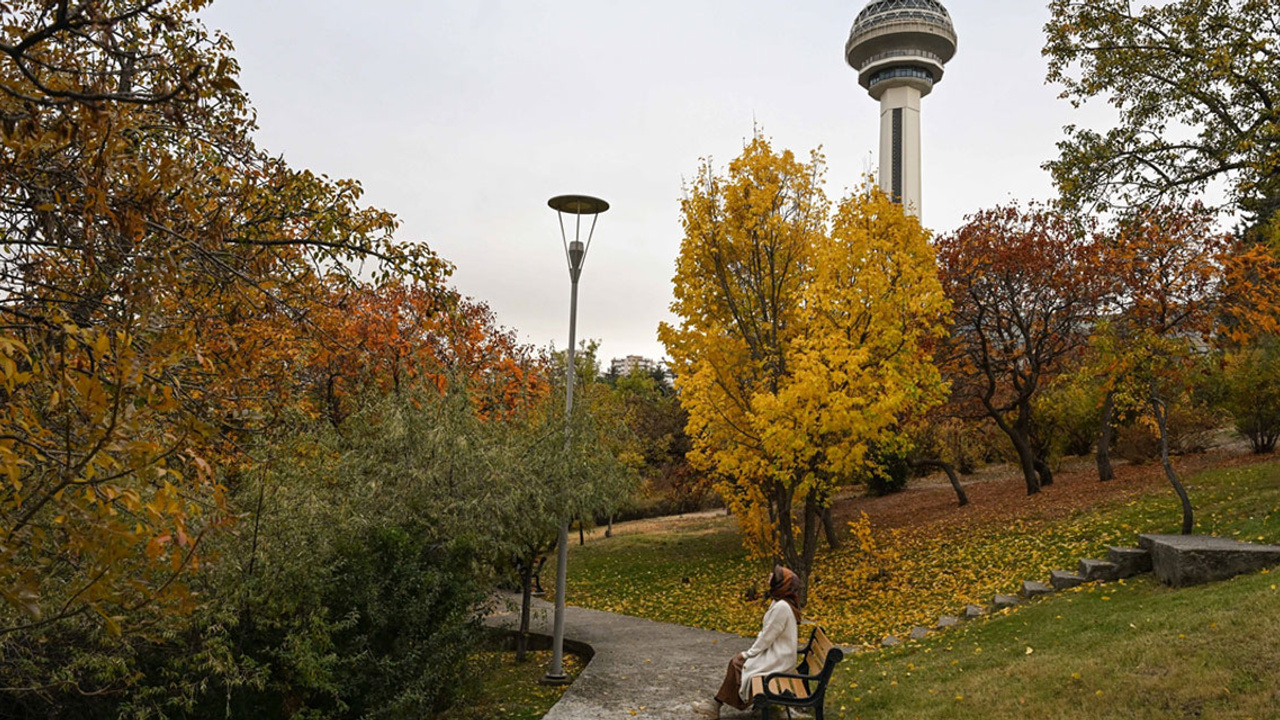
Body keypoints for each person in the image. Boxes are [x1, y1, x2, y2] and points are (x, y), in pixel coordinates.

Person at [693, 565, 802, 719]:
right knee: (739, 664)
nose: (770, 575)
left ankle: (715, 706)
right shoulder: (780, 603)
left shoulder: (782, 607)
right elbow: (767, 635)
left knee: (737, 663)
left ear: (780, 584)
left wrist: (747, 654)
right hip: (777, 654)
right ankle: (715, 705)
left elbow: (766, 638)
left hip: (779, 660)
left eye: (775, 575)